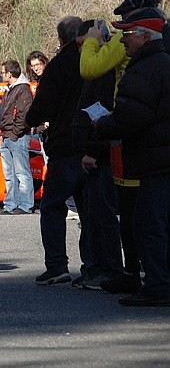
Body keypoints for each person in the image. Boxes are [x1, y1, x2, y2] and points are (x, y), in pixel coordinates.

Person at [79, 0, 161, 294]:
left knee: (133, 212)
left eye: (126, 24)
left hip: (129, 139)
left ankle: (140, 274)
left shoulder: (139, 50)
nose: (123, 35)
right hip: (136, 138)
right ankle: (147, 274)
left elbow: (89, 69)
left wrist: (90, 43)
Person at [94, 7, 170, 307]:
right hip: (160, 159)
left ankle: (158, 285)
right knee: (156, 224)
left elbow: (132, 116)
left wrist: (102, 125)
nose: (121, 40)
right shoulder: (162, 64)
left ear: (144, 36)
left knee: (147, 226)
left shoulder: (145, 69)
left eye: (126, 34)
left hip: (155, 162)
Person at [26, 16, 87, 285]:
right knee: (91, 210)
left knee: (52, 206)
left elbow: (42, 107)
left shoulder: (59, 66)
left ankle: (57, 264)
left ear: (61, 40)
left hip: (65, 143)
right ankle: (96, 265)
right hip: (94, 143)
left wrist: (32, 119)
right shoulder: (97, 64)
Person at [71, 20, 123, 291]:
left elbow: (104, 112)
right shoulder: (93, 71)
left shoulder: (103, 70)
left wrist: (94, 150)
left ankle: (110, 269)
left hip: (99, 155)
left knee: (104, 218)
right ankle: (96, 268)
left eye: (84, 45)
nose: (82, 52)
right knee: (91, 218)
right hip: (89, 152)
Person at [0, 60, 34, 215]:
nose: (1, 75)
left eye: (3, 72)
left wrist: (13, 134)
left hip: (17, 137)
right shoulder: (9, 89)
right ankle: (10, 204)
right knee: (9, 175)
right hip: (5, 136)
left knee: (22, 173)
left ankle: (25, 205)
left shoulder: (23, 90)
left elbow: (23, 115)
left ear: (10, 74)